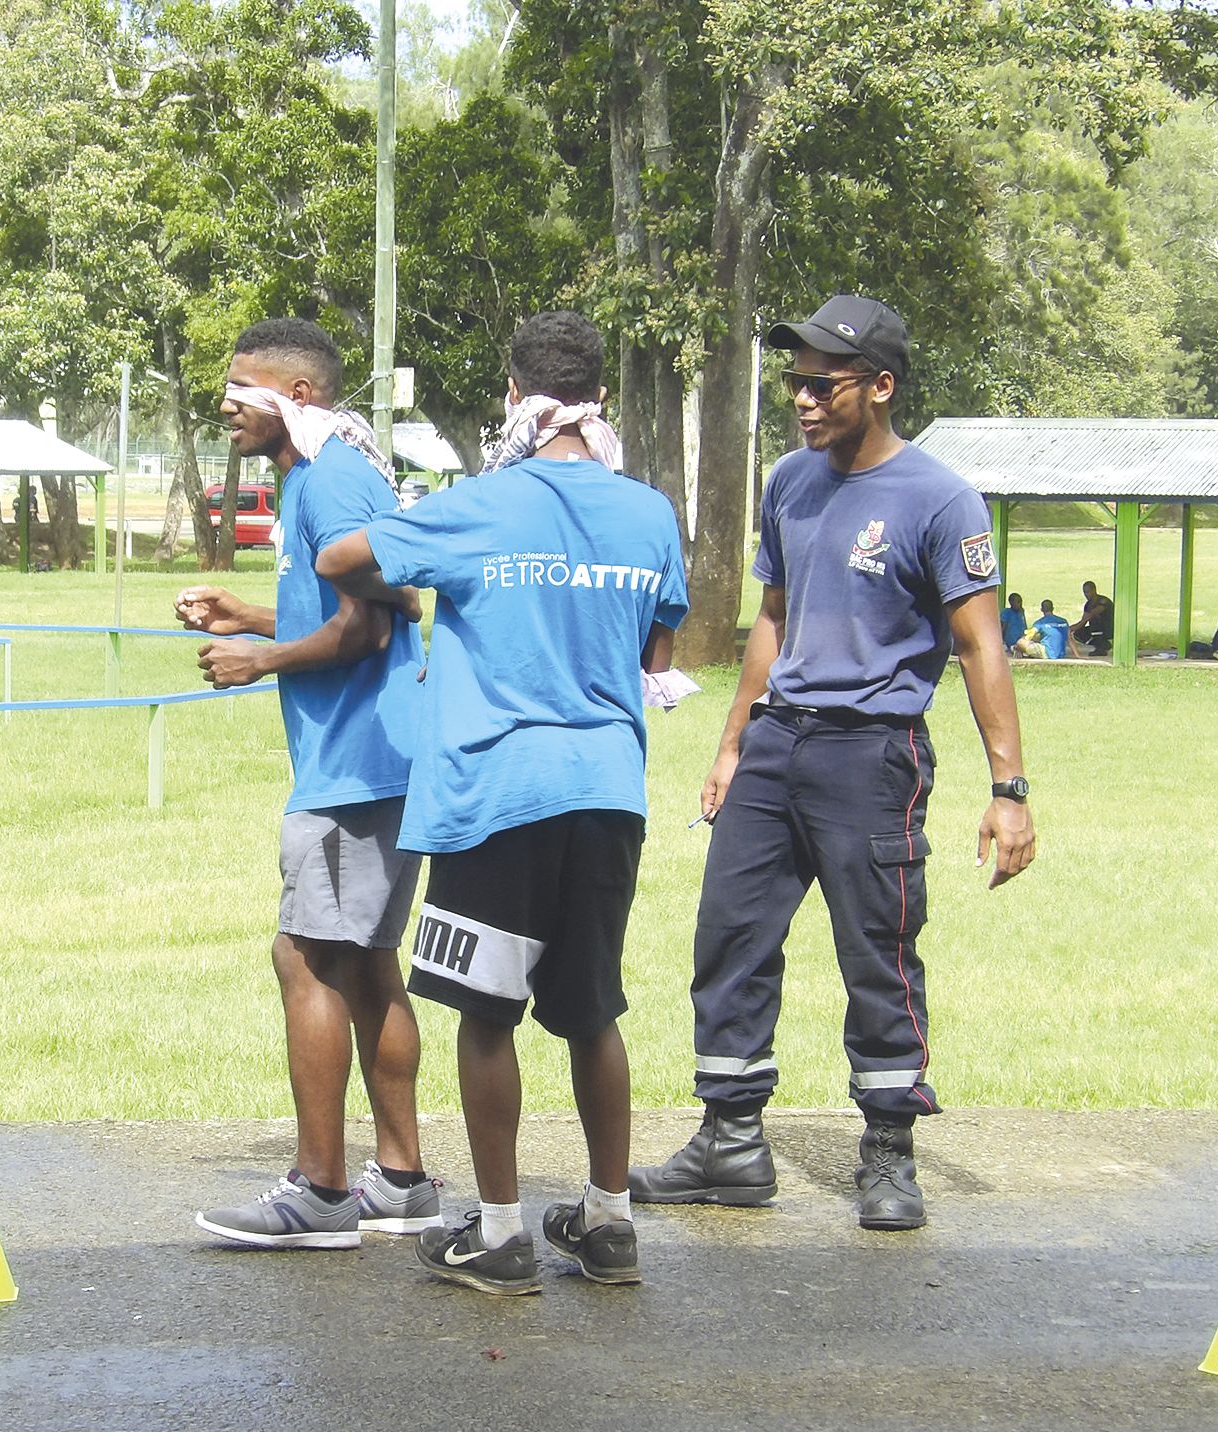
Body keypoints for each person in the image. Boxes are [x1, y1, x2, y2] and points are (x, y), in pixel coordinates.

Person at [630, 294, 1035, 1233]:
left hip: (872, 751)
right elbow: (772, 617)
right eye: (795, 382)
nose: (802, 400)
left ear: (880, 386)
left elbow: (980, 645)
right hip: (776, 743)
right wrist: (732, 744)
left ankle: (888, 1150)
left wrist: (1008, 789)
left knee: (877, 950)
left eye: (823, 383)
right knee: (729, 937)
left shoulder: (939, 498)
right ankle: (729, 1142)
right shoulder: (789, 481)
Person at [318, 311, 690, 1295]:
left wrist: (420, 562)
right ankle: (608, 1223)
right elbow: (656, 653)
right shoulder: (649, 512)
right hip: (606, 792)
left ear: (516, 396)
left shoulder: (476, 504)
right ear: (599, 398)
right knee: (591, 1011)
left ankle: (497, 1233)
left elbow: (338, 559)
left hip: (493, 795)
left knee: (486, 1016)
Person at [176, 318, 438, 1250]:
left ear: (299, 396)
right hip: (371, 758)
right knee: (362, 960)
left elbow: (371, 627)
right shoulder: (317, 476)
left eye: (240, 388)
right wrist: (251, 613)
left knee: (308, 959)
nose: (225, 404)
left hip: (356, 764)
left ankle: (321, 1191)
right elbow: (347, 606)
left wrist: (261, 659)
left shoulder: (330, 480)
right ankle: (400, 1180)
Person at [1069, 580, 1113, 657]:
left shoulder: (1103, 601)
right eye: (1084, 592)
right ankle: (1101, 644)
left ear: (1094, 590)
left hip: (1108, 628)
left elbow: (1090, 615)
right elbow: (1083, 621)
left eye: (1088, 592)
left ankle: (1102, 647)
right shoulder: (1088, 604)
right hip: (1095, 629)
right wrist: (1072, 629)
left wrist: (1070, 628)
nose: (1086, 595)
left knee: (1096, 627)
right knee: (1078, 633)